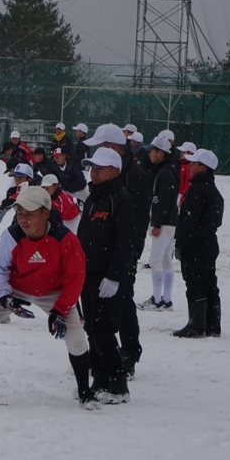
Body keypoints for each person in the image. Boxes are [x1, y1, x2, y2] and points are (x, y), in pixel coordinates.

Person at [0, 186, 100, 410]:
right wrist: (5, 298)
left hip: (54, 292)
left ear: (45, 213)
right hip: (16, 288)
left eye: (29, 214)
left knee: (75, 337)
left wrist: (60, 310)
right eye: (19, 214)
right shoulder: (11, 236)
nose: (23, 220)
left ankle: (85, 393)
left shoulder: (66, 240)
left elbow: (76, 278)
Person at [82, 123, 153, 379]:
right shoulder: (104, 177)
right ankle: (100, 356)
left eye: (100, 147)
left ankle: (129, 354)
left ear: (112, 147)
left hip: (123, 253)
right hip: (100, 255)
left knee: (122, 302)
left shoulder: (135, 175)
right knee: (98, 312)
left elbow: (138, 221)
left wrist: (128, 257)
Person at [78, 147, 136, 404]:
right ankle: (99, 379)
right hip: (88, 275)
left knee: (103, 330)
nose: (94, 172)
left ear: (115, 171)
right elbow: (83, 236)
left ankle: (118, 383)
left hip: (108, 279)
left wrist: (114, 276)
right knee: (91, 328)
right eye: (93, 167)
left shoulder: (121, 199)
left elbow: (125, 243)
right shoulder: (93, 198)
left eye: (100, 168)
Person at [173, 149, 224, 338]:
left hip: (196, 245)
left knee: (195, 283)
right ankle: (212, 325)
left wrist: (180, 244)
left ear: (203, 167)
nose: (190, 166)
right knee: (209, 282)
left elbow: (189, 222)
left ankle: (196, 325)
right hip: (209, 243)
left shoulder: (197, 190)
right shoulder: (213, 190)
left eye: (194, 163)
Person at [138, 137, 179, 311]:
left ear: (161, 153)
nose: (149, 154)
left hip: (165, 223)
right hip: (170, 222)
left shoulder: (165, 173)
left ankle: (157, 300)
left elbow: (164, 201)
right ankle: (166, 300)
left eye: (152, 151)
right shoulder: (167, 170)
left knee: (155, 260)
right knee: (165, 261)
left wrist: (157, 223)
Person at [0, 163, 34, 237]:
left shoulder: (38, 191)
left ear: (29, 179)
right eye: (15, 178)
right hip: (19, 218)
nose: (17, 181)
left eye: (20, 178)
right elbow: (5, 205)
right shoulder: (12, 191)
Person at [176, 141, 197, 207]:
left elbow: (188, 184)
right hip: (177, 194)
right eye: (182, 152)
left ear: (190, 153)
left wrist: (183, 198)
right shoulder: (180, 163)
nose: (181, 154)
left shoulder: (191, 167)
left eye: (184, 152)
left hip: (183, 196)